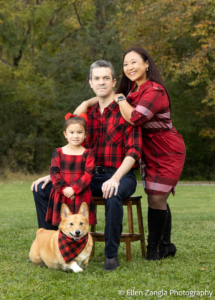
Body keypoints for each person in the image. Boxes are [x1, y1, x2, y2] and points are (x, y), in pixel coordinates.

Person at [75, 48, 186, 261]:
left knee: (156, 197)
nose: (130, 67)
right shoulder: (133, 91)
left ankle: (154, 249)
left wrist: (118, 98)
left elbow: (134, 118)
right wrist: (87, 103)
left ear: (147, 64)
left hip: (165, 148)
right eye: (126, 64)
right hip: (147, 147)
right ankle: (166, 244)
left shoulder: (155, 90)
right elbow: (105, 96)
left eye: (134, 62)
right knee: (157, 196)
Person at [31, 60, 142, 271]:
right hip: (86, 176)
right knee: (42, 190)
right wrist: (54, 177)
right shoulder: (85, 115)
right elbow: (72, 145)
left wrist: (116, 178)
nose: (102, 82)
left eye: (106, 78)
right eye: (97, 78)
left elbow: (134, 152)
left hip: (120, 175)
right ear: (91, 83)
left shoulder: (126, 111)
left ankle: (110, 254)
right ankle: (47, 246)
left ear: (114, 82)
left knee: (112, 193)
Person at [45, 113, 96, 227]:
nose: (75, 136)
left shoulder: (88, 153)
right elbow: (54, 172)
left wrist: (74, 189)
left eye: (79, 132)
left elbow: (88, 174)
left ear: (85, 135)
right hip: (61, 193)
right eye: (71, 132)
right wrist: (65, 189)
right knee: (63, 225)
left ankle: (82, 244)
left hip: (81, 193)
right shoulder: (58, 152)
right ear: (65, 134)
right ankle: (60, 244)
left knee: (80, 225)